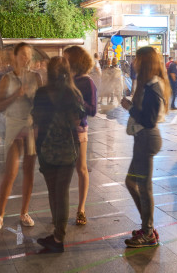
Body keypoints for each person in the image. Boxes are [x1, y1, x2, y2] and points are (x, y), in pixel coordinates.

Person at [32, 57, 84, 253]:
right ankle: (57, 234)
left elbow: (36, 123)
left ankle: (58, 236)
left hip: (46, 148)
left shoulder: (42, 93)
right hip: (69, 150)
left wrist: (37, 148)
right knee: (62, 192)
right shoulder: (73, 93)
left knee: (53, 191)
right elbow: (79, 120)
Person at [120, 46, 170, 248]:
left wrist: (129, 107)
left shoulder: (153, 86)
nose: (133, 62)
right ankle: (147, 227)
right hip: (142, 138)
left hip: (147, 138)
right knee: (132, 183)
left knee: (144, 187)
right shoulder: (149, 84)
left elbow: (149, 120)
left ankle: (148, 232)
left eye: (137, 59)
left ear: (145, 62)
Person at [0, 43, 42, 232]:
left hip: (30, 126)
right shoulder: (7, 78)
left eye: (29, 55)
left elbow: (42, 103)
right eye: (22, 55)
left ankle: (24, 212)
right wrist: (16, 94)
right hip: (13, 126)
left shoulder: (36, 77)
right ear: (15, 56)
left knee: (28, 171)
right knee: (11, 172)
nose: (26, 58)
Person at [63, 46, 97, 227]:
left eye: (66, 58)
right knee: (63, 171)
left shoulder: (86, 82)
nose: (63, 62)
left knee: (81, 168)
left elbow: (92, 110)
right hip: (61, 130)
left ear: (75, 60)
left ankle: (81, 209)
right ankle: (61, 209)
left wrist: (76, 99)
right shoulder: (64, 79)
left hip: (78, 130)